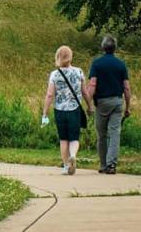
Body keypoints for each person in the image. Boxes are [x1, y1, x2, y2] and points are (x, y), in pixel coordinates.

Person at [42, 46, 93, 175]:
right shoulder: (79, 72)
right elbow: (84, 92)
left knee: (63, 139)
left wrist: (45, 112)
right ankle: (73, 156)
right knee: (74, 137)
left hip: (60, 110)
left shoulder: (55, 74)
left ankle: (66, 166)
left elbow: (49, 95)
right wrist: (90, 106)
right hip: (74, 109)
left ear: (58, 57)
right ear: (71, 57)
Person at [88, 35, 131, 175]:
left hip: (101, 103)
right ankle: (112, 165)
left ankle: (103, 164)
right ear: (115, 48)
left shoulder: (97, 63)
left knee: (102, 135)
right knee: (115, 133)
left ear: (103, 47)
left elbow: (93, 84)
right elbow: (126, 87)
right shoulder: (121, 64)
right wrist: (128, 106)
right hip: (117, 102)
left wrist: (89, 103)